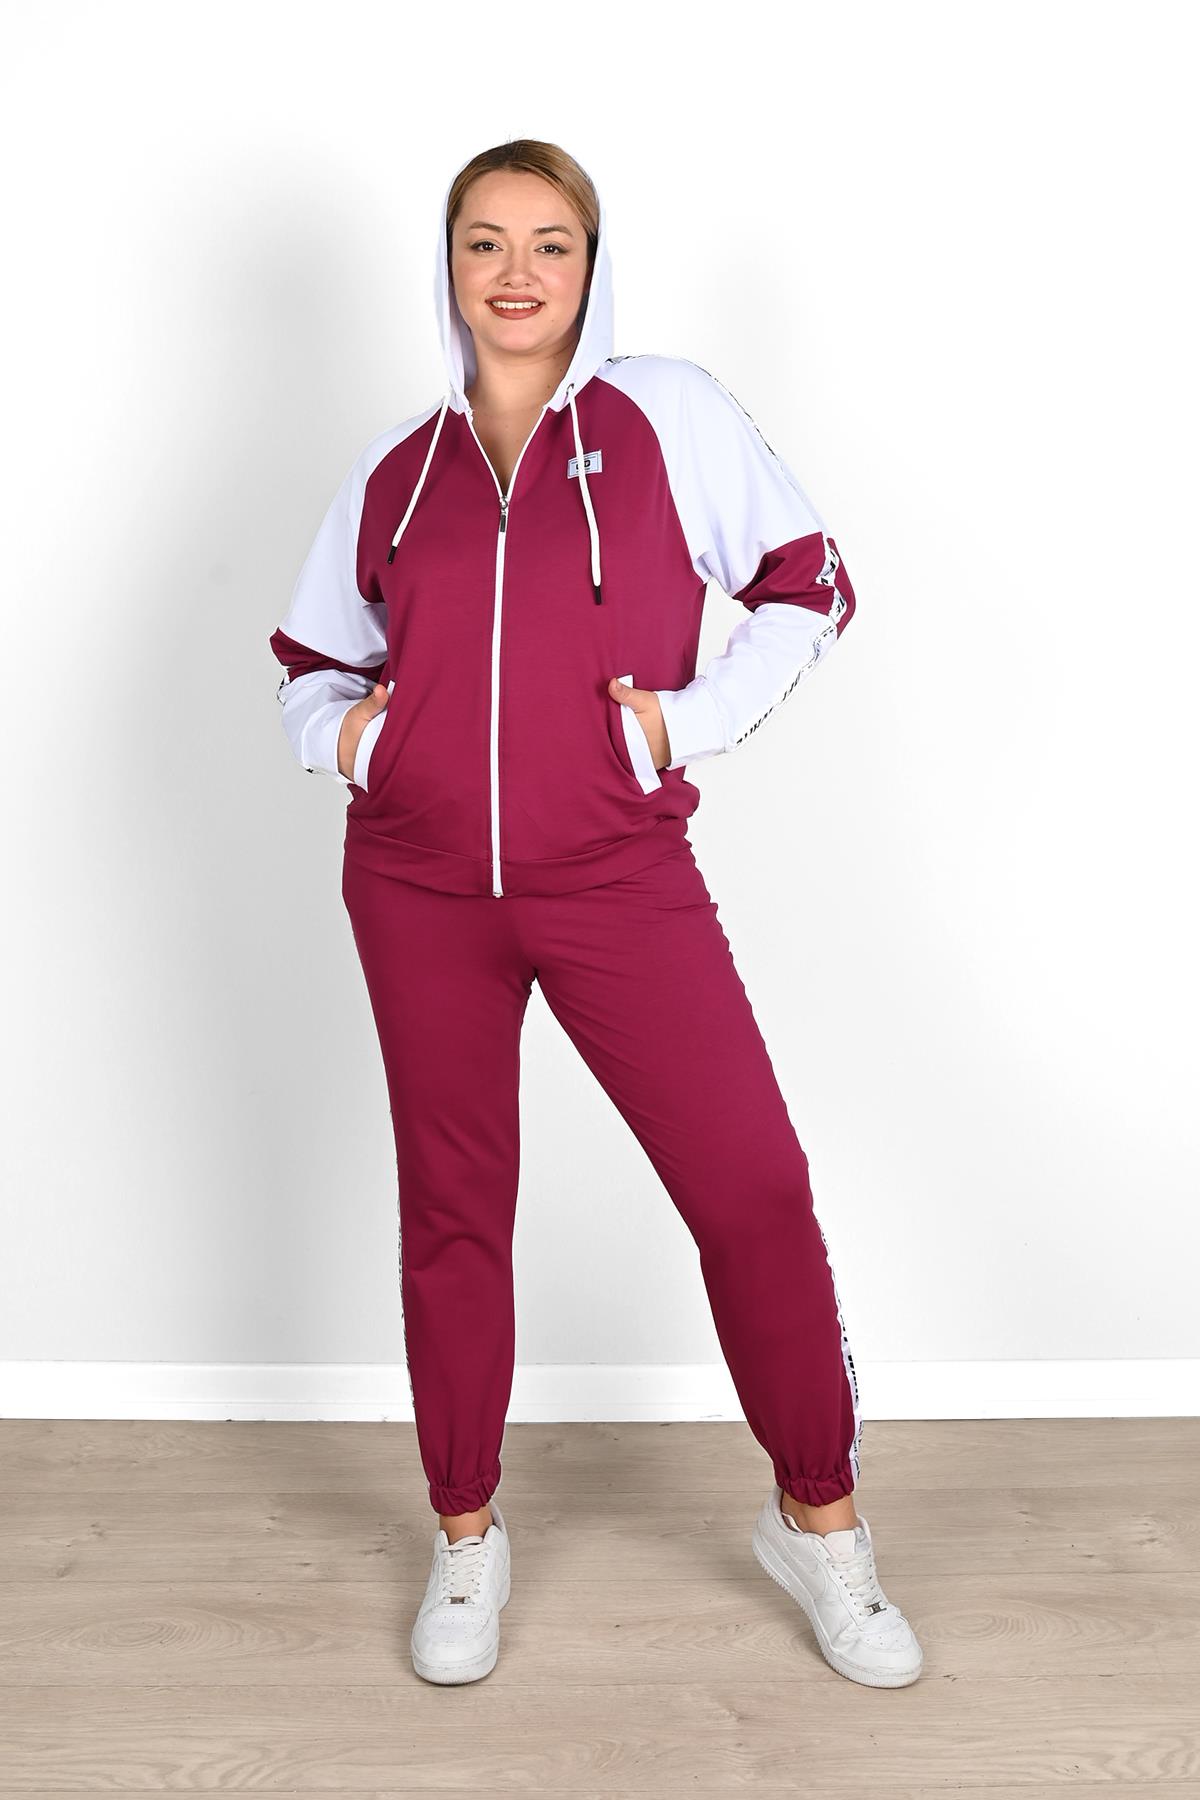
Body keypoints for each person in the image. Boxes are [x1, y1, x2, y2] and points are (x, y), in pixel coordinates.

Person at [269, 139, 922, 1690]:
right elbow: (309, 661)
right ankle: (465, 1535)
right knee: (453, 1210)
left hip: (617, 876)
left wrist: (679, 726)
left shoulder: (667, 417)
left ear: (591, 262)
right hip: (418, 886)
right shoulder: (395, 473)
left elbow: (810, 583)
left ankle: (819, 1521)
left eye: (549, 242)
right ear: (447, 267)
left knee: (752, 1188)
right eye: (485, 242)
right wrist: (355, 742)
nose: (516, 273)